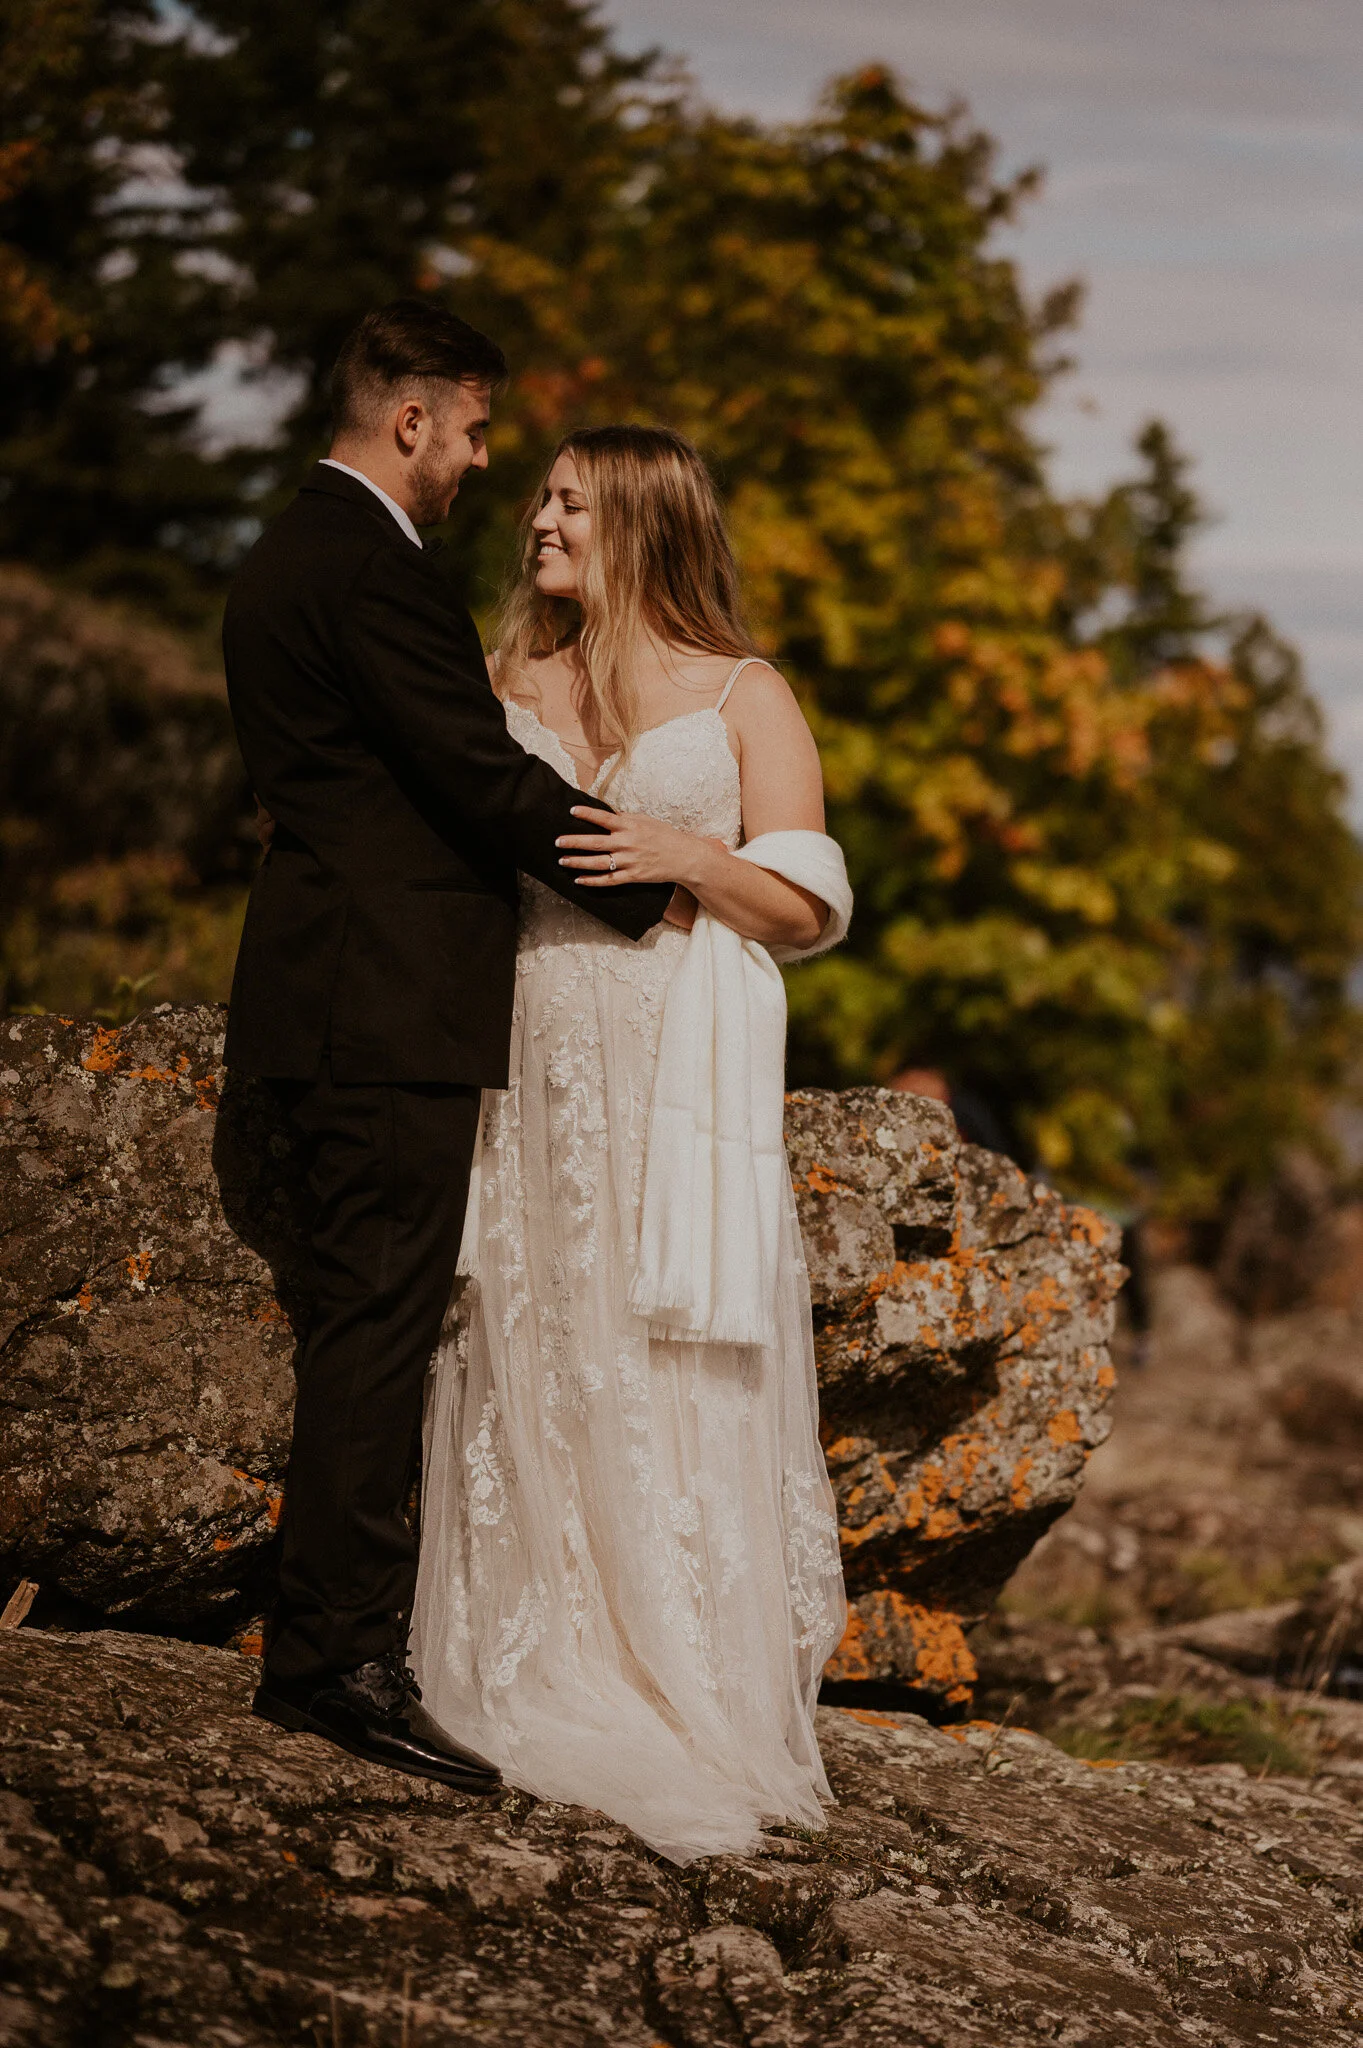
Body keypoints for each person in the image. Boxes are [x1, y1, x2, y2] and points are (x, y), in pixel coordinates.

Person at [222, 303, 676, 1790]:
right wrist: (661, 885)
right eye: (477, 430)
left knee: (371, 1309)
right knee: (378, 1322)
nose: (484, 460)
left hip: (333, 987)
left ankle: (336, 1640)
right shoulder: (373, 570)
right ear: (409, 419)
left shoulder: (286, 548)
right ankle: (336, 1660)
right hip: (382, 1002)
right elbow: (477, 777)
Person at [411, 426, 850, 1862]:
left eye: (570, 505)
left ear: (644, 526)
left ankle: (676, 1674)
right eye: (538, 495)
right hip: (527, 1035)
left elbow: (807, 912)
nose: (536, 521)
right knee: (532, 1322)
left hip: (672, 1049)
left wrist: (690, 859)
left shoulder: (741, 692)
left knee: (661, 1340)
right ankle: (536, 1642)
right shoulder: (503, 680)